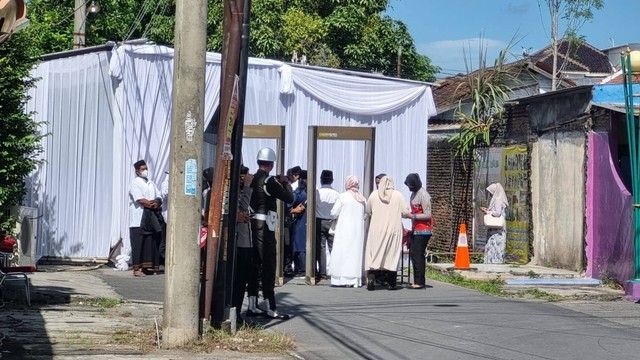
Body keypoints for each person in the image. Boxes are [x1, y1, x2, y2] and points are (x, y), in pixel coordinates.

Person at [247, 147, 294, 319]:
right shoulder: (269, 180)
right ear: (271, 164)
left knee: (254, 266)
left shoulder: (252, 179)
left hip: (252, 224)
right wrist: (285, 182)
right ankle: (269, 307)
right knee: (268, 265)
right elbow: (289, 198)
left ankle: (252, 304)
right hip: (265, 226)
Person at [365, 176, 411, 290]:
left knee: (374, 253)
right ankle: (391, 283)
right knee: (392, 255)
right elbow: (405, 212)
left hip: (376, 230)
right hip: (393, 230)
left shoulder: (373, 195)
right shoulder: (398, 195)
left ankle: (371, 278)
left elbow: (368, 210)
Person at [328, 176, 367, 288]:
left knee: (341, 253)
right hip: (357, 233)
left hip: (343, 230)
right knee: (355, 255)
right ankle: (354, 280)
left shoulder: (343, 196)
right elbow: (365, 215)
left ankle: (339, 280)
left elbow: (334, 213)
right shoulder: (362, 199)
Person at [128, 160, 163, 277]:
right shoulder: (135, 183)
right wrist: (151, 205)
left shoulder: (151, 183)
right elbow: (140, 199)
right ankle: (136, 269)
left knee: (149, 242)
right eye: (142, 169)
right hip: (139, 218)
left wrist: (157, 203)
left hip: (150, 217)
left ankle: (147, 267)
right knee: (138, 243)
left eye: (146, 168)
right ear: (137, 171)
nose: (145, 171)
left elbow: (159, 195)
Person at [232, 166, 255, 324]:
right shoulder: (238, 192)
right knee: (237, 279)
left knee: (243, 280)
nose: (243, 180)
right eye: (241, 178)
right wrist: (247, 187)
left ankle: (238, 311)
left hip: (247, 241)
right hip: (238, 242)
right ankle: (235, 311)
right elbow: (242, 208)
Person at [404, 173, 433, 289]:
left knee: (418, 255)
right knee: (413, 254)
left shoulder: (424, 195)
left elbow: (428, 214)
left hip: (424, 230)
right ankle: (417, 279)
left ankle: (420, 281)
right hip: (415, 229)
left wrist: (413, 216)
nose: (410, 187)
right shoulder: (413, 194)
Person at [315, 170, 340, 279]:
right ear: (332, 180)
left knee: (321, 248)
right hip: (331, 221)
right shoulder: (337, 194)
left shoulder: (317, 193)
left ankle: (322, 272)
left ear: (321, 180)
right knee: (333, 247)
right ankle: (335, 270)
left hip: (319, 220)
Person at [480, 183, 509, 264]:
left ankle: (493, 262)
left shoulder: (497, 199)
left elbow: (497, 213)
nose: (490, 194)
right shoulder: (500, 199)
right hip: (498, 228)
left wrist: (488, 212)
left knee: (495, 245)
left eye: (491, 192)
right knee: (496, 246)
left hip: (496, 230)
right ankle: (495, 261)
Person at [289, 171, 308, 278]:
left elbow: (288, 204)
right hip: (308, 222)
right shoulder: (313, 192)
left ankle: (300, 268)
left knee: (298, 244)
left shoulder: (299, 192)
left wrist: (292, 210)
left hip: (300, 222)